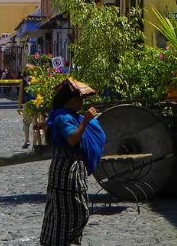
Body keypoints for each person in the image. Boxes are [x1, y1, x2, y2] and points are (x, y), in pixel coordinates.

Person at [40, 78, 105, 246]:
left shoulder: (69, 116)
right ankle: (63, 242)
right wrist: (85, 121)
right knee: (73, 212)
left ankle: (67, 241)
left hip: (73, 170)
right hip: (66, 171)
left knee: (73, 211)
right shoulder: (63, 118)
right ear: (70, 100)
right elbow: (72, 139)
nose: (82, 103)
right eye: (79, 99)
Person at [17, 66, 42, 149]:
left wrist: (19, 105)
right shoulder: (38, 79)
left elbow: (21, 94)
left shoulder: (24, 80)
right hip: (37, 103)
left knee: (26, 123)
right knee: (36, 124)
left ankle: (27, 140)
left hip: (27, 104)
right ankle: (35, 144)